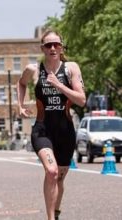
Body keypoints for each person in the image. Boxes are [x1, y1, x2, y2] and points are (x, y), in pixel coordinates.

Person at [16, 30, 86, 220]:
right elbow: (21, 83)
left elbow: (81, 100)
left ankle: (55, 212)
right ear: (42, 49)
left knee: (60, 178)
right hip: (42, 130)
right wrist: (20, 105)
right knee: (52, 171)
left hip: (65, 131)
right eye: (48, 45)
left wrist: (59, 85)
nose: (53, 48)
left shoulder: (71, 68)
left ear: (62, 47)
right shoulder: (34, 69)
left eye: (56, 44)